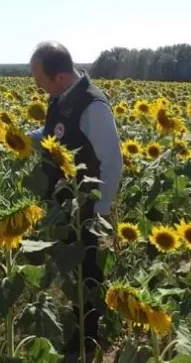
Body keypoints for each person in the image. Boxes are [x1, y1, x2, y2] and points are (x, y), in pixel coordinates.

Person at [26, 41, 123, 361]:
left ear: (58, 76)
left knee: (87, 272)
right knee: (70, 272)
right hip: (64, 205)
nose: (37, 85)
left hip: (86, 207)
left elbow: (111, 162)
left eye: (39, 79)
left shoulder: (93, 105)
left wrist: (99, 210)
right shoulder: (61, 98)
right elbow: (57, 134)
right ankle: (73, 332)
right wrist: (24, 138)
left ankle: (87, 341)